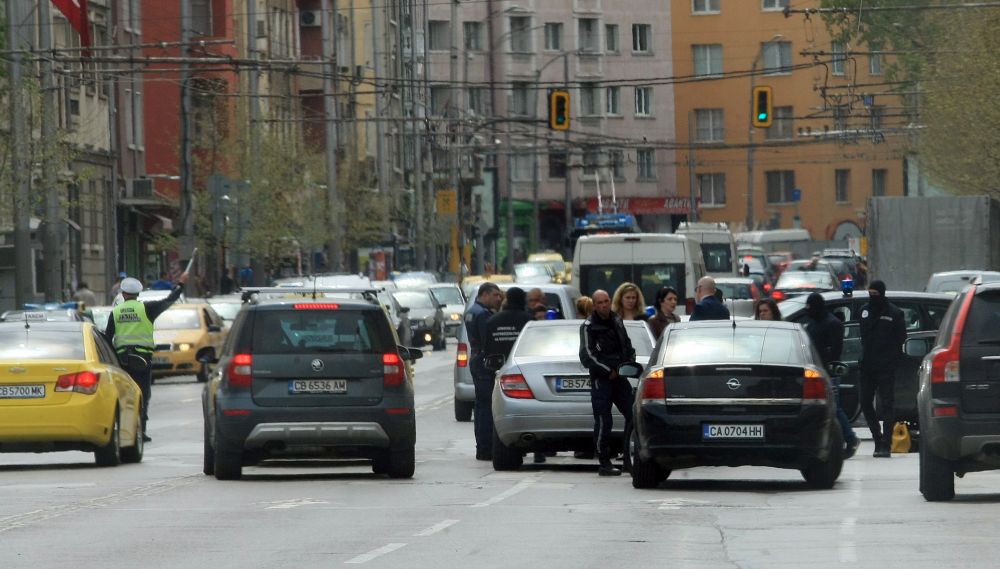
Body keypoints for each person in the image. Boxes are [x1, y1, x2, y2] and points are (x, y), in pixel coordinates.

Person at [104, 272, 189, 442]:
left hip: (122, 361)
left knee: (124, 395)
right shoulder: (147, 308)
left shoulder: (116, 312)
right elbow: (169, 300)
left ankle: (125, 430)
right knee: (142, 394)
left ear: (123, 294)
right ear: (138, 294)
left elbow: (108, 337)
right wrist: (180, 285)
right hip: (142, 359)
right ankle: (141, 430)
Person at [579, 289, 636, 477]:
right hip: (602, 380)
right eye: (600, 302)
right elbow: (587, 356)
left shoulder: (617, 320)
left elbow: (626, 344)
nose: (604, 305)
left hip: (620, 377)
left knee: (633, 414)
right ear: (594, 305)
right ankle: (604, 461)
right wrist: (607, 371)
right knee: (604, 420)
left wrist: (629, 362)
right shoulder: (589, 326)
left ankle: (630, 457)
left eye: (606, 301)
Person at [803, 292, 860, 459]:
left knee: (834, 407)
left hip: (829, 372)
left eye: (810, 307)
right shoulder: (813, 323)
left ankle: (850, 438)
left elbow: (835, 350)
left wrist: (827, 365)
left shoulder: (832, 324)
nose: (808, 311)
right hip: (816, 371)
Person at [483, 287, 536, 463]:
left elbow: (487, 348)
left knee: (497, 411)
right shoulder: (528, 321)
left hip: (499, 370)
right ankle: (538, 451)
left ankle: (492, 447)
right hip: (524, 371)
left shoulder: (492, 321)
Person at [858, 280, 907, 458]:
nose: (872, 297)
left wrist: (891, 359)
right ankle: (877, 438)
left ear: (882, 293)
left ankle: (886, 444)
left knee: (887, 405)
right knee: (864, 402)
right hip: (867, 367)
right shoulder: (864, 311)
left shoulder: (894, 313)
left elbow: (901, 338)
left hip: (885, 367)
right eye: (870, 293)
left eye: (875, 294)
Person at [465, 282, 504, 460]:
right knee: (487, 407)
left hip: (476, 359)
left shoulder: (472, 311)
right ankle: (485, 447)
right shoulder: (482, 315)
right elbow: (487, 340)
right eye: (495, 295)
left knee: (480, 406)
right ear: (485, 294)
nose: (498, 298)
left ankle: (481, 446)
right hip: (483, 362)